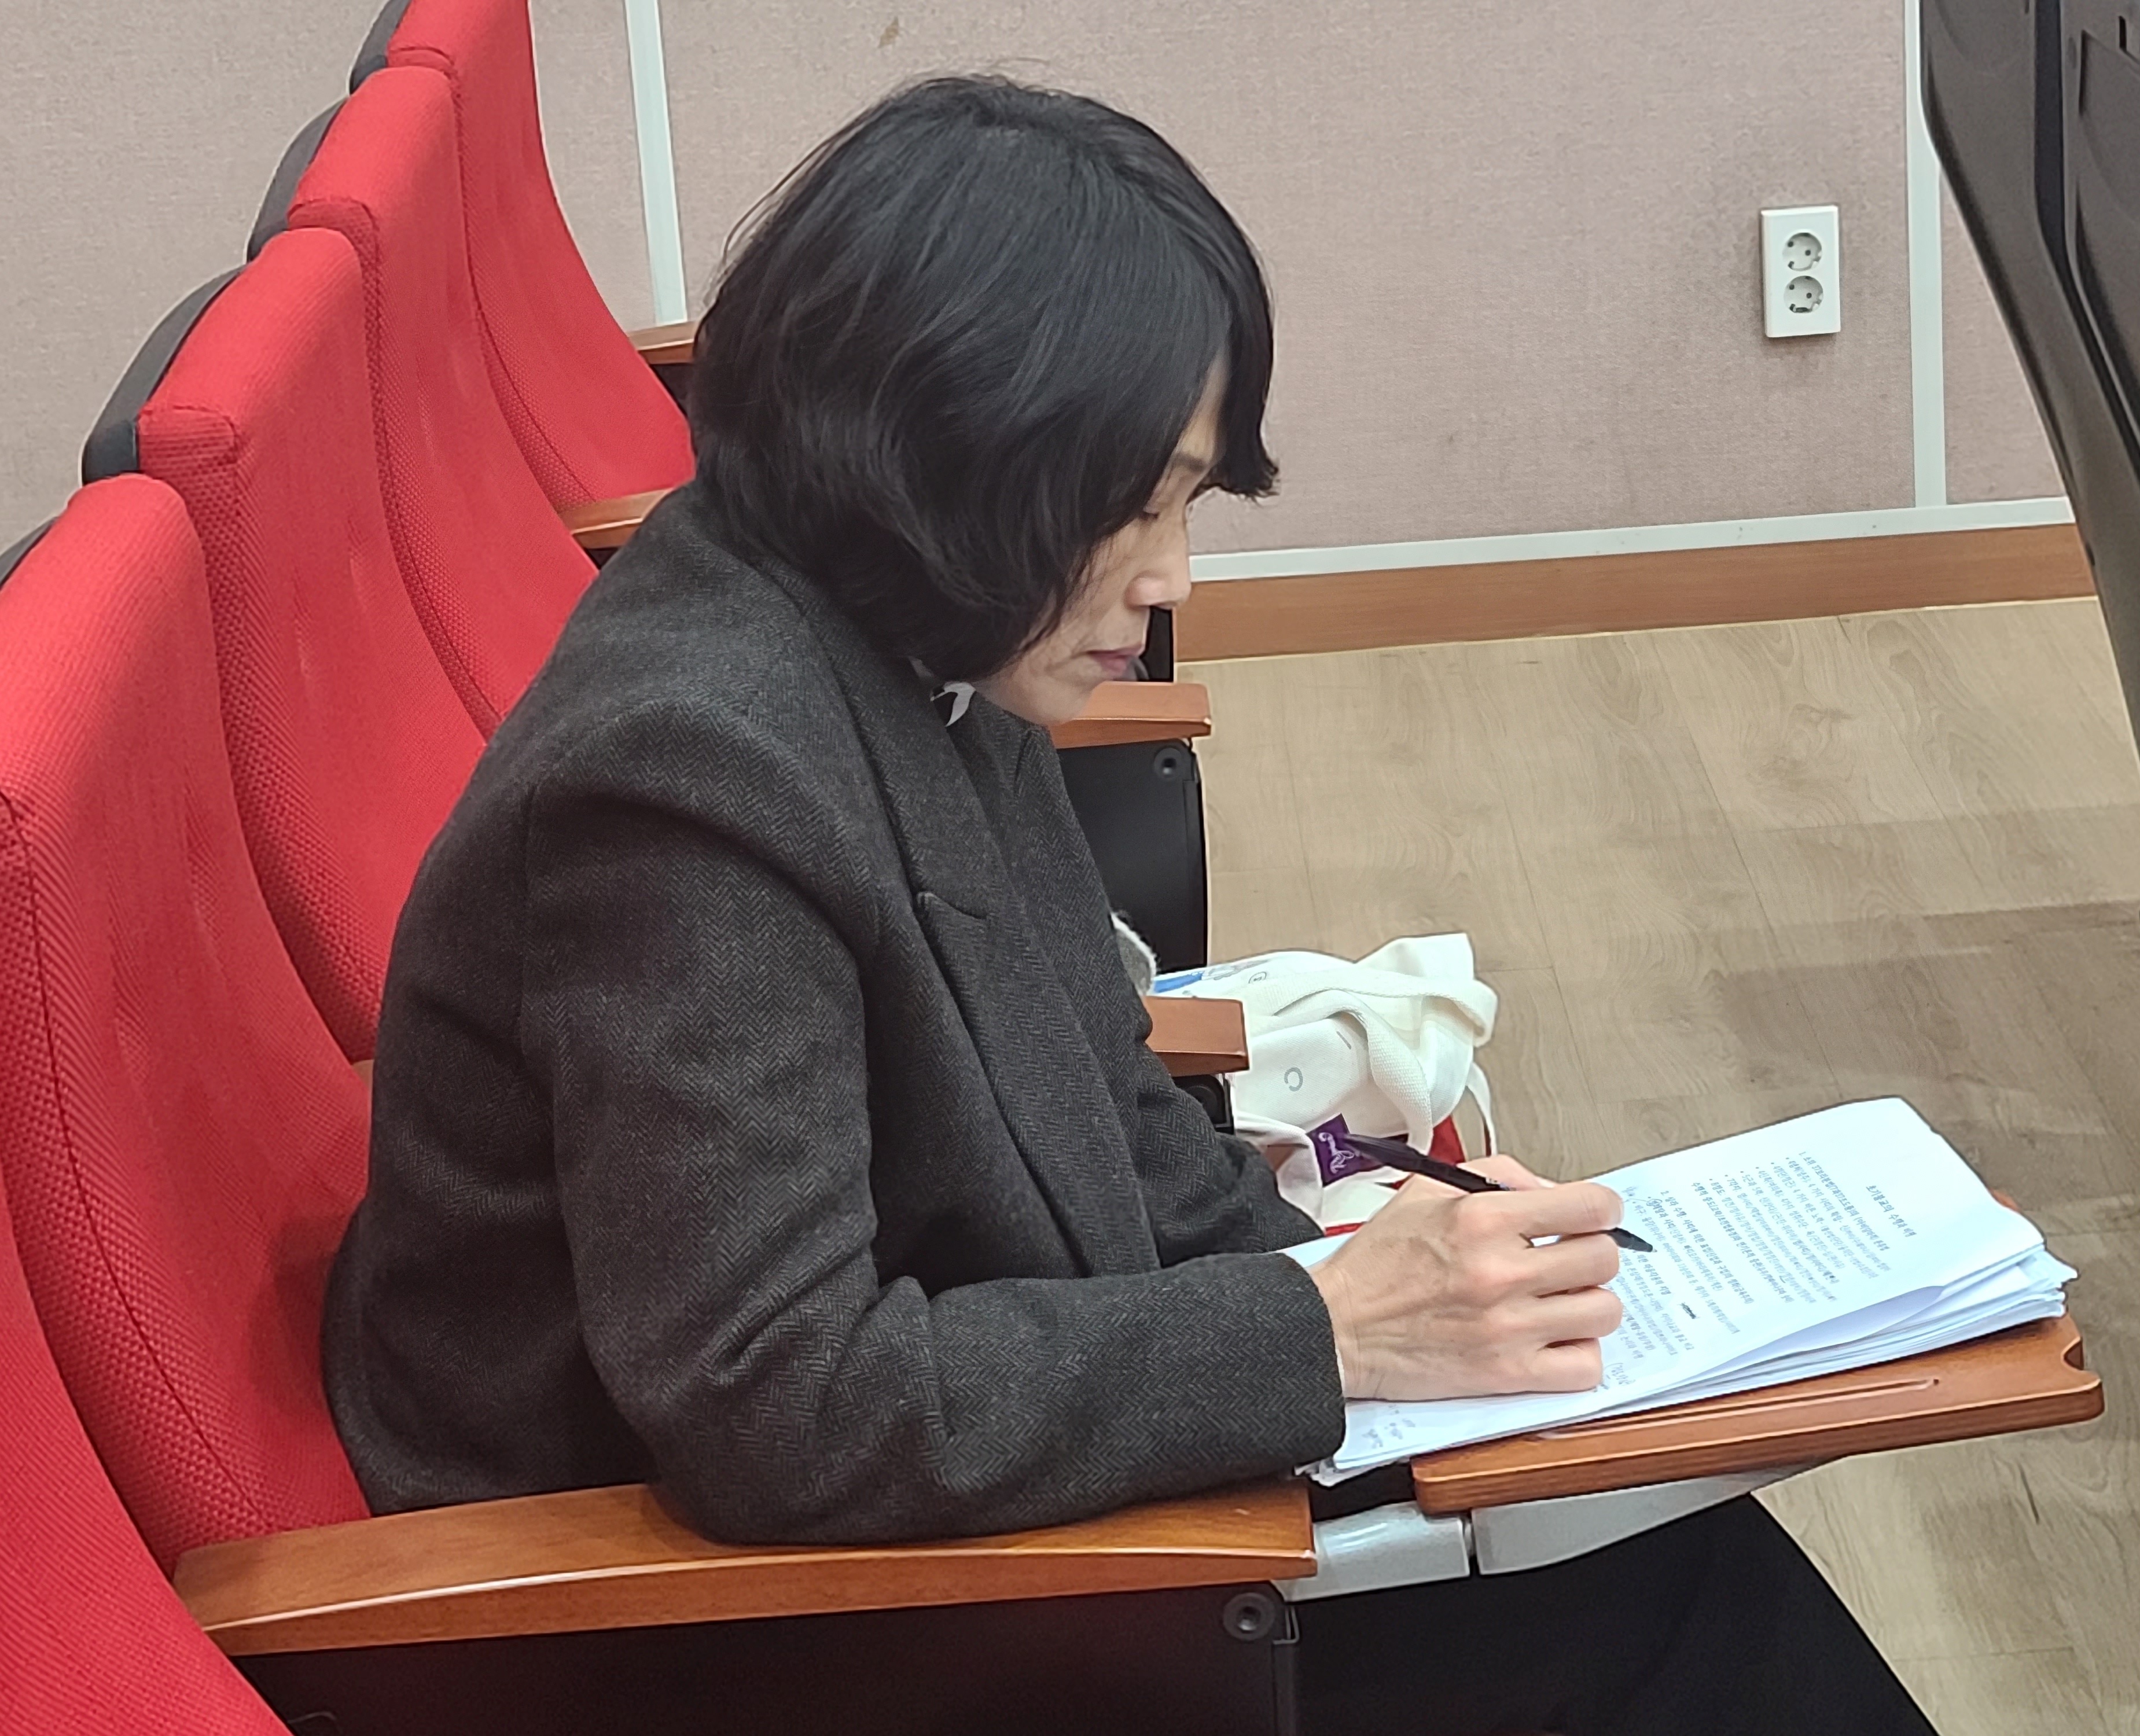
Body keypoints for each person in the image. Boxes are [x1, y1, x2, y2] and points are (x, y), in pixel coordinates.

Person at [323, 75, 1937, 1734]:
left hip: (905, 1502)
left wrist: (1384, 1269)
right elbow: (780, 1408)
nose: (1169, 578)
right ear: (952, 453)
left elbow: (1104, 1097)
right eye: (1137, 504)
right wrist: (1324, 1331)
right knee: (1668, 1612)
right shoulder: (685, 790)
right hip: (697, 1631)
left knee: (1637, 1539)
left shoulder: (920, 629)